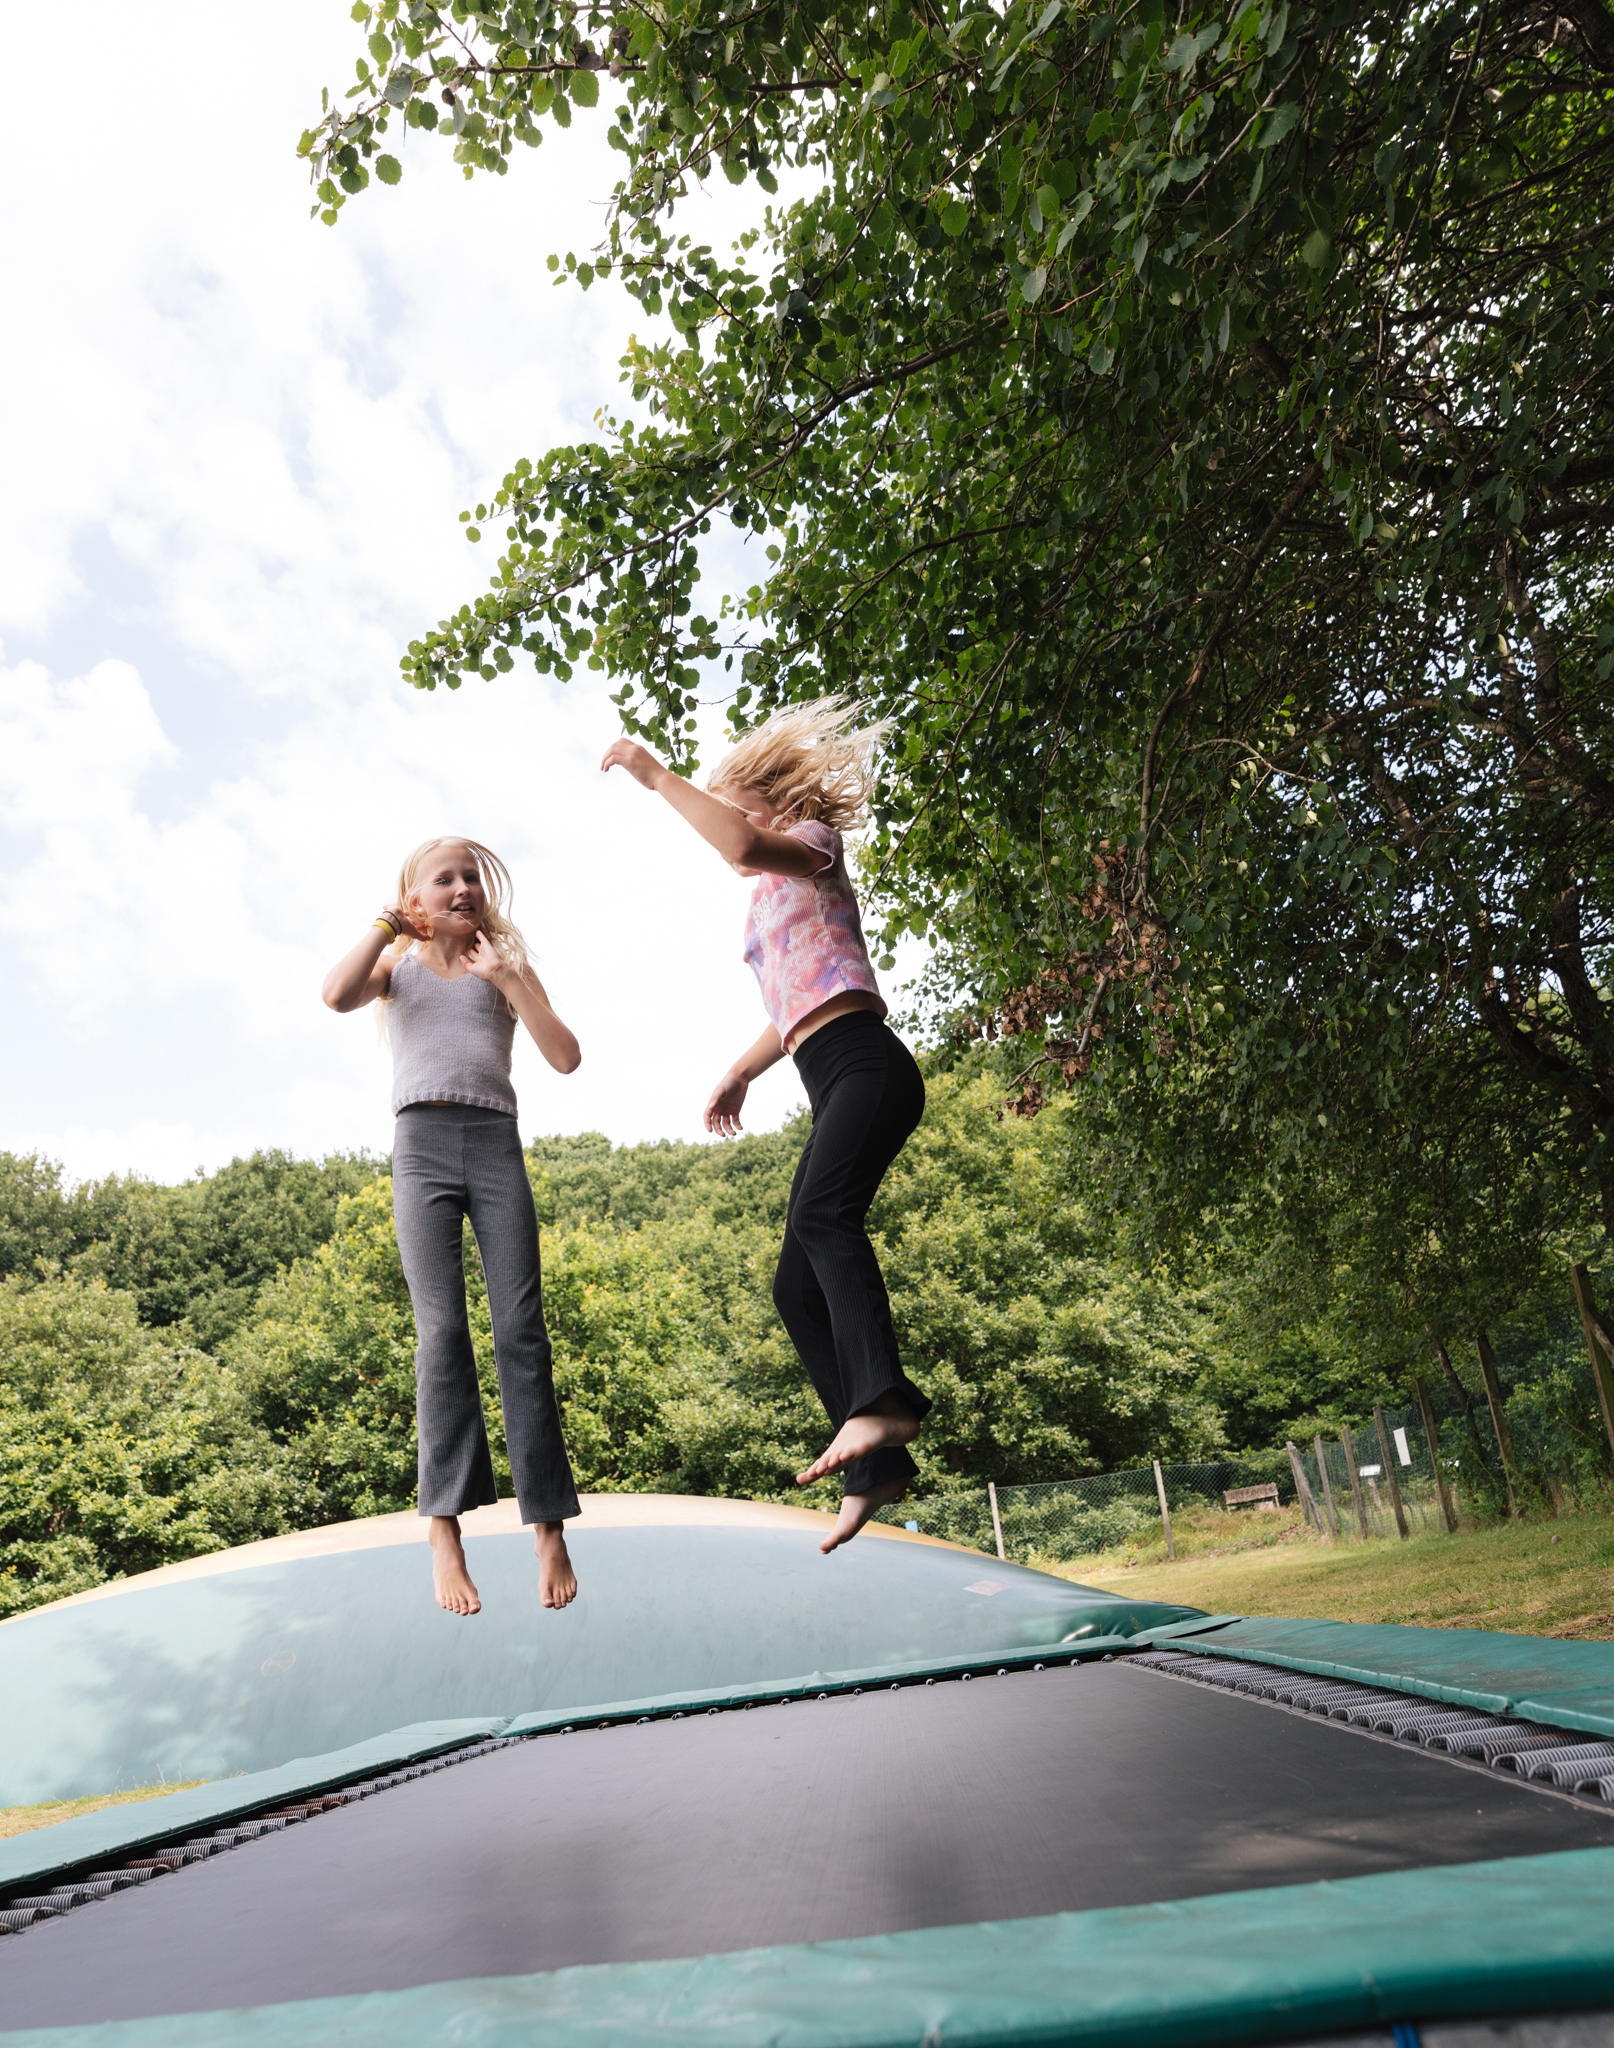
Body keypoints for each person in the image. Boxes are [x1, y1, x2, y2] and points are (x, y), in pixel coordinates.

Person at [602, 699, 929, 1554]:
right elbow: (794, 998)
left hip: (868, 1065)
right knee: (795, 1284)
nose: (729, 832)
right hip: (832, 1072)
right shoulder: (766, 904)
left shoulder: (813, 844)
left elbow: (743, 844)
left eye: (735, 809)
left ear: (773, 804)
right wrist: (741, 1071)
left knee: (825, 1219)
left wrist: (657, 776)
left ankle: (884, 1404)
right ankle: (876, 1468)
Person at [321, 837, 582, 1617]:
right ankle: (442, 1528)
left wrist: (509, 979)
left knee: (521, 1332)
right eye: (445, 878)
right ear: (416, 897)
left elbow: (566, 1057)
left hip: (495, 1144)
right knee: (441, 1334)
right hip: (422, 1148)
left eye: (472, 876)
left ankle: (547, 1525)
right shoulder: (394, 968)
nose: (463, 886)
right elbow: (334, 995)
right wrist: (385, 925)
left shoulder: (502, 965)